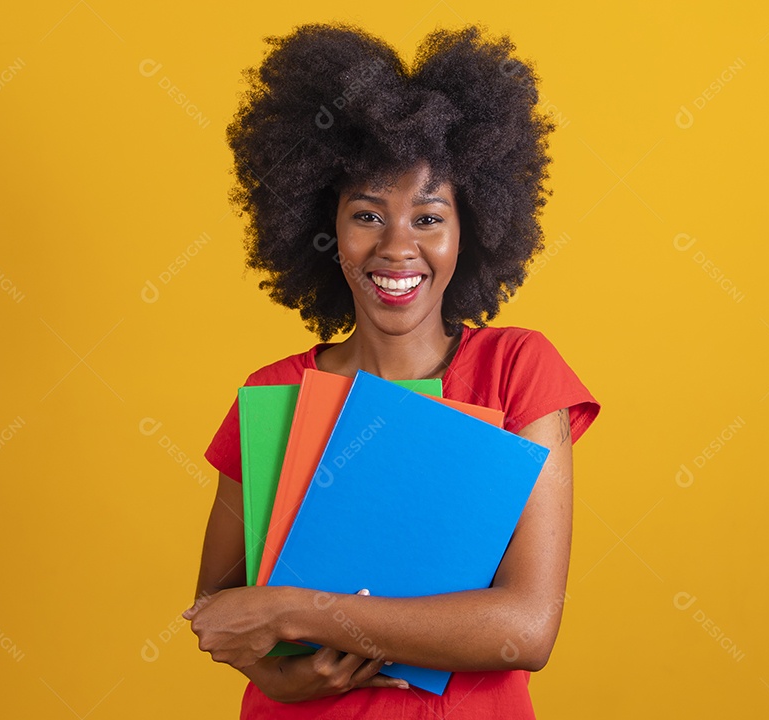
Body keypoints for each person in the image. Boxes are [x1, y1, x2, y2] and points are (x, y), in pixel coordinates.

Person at [183, 22, 601, 719]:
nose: (397, 247)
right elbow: (221, 611)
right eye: (367, 214)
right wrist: (283, 677)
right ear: (325, 227)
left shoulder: (517, 372)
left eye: (429, 217)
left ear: (471, 230)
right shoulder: (274, 394)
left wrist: (298, 610)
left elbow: (526, 630)